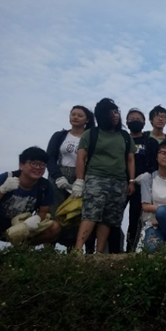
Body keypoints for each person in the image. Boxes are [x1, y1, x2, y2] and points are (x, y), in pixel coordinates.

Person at [72, 98, 136, 253]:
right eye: (111, 112)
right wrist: (80, 181)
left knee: (108, 219)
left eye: (116, 112)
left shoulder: (125, 136)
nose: (115, 115)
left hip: (119, 181)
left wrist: (131, 181)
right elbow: (81, 157)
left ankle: (99, 253)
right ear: (102, 115)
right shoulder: (91, 133)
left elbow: (130, 159)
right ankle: (77, 250)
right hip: (96, 178)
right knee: (91, 215)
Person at [0, 147, 61, 248]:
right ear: (21, 165)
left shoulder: (45, 186)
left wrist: (35, 219)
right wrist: (2, 190)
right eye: (33, 163)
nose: (38, 168)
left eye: (42, 165)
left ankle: (21, 249)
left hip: (22, 225)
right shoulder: (6, 177)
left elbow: (44, 211)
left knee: (54, 227)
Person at [45, 105, 94, 248]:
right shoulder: (59, 136)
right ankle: (48, 249)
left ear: (87, 119)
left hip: (80, 177)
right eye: (73, 114)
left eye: (80, 115)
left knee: (75, 214)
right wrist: (57, 176)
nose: (75, 117)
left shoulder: (91, 137)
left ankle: (72, 251)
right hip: (59, 176)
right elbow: (50, 157)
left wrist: (83, 179)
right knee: (55, 213)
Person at [125, 107, 150, 251]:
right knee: (114, 218)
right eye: (132, 119)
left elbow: (153, 160)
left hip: (141, 183)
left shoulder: (147, 140)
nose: (135, 121)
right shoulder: (122, 138)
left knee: (135, 219)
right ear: (127, 122)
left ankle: (130, 250)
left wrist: (146, 174)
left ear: (144, 122)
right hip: (122, 181)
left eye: (138, 119)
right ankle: (113, 249)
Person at [145, 105, 166, 173]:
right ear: (151, 119)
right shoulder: (145, 137)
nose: (160, 119)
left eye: (163, 117)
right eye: (157, 116)